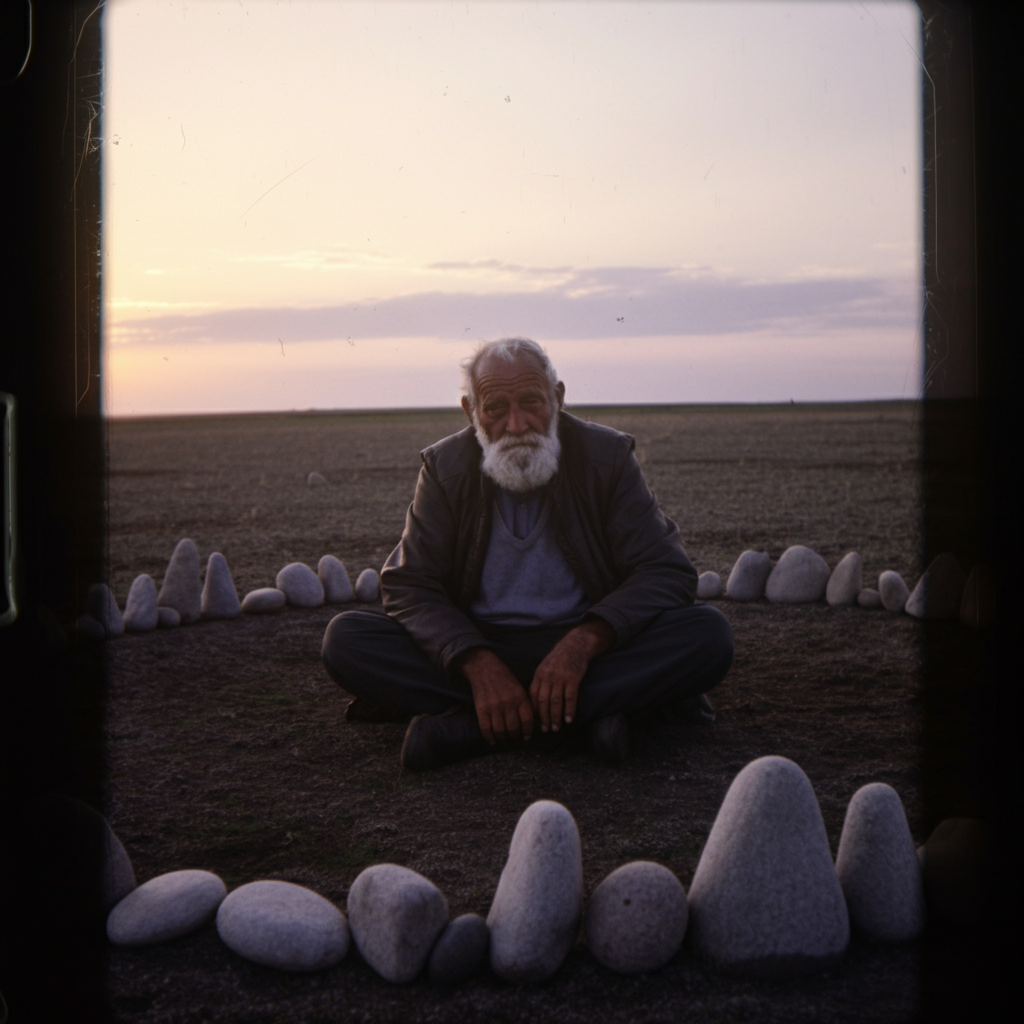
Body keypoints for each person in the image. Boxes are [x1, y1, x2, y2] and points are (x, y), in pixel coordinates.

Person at [322, 337, 733, 770]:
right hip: (480, 643)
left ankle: (471, 727)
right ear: (471, 411)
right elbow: (410, 583)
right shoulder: (445, 468)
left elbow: (665, 570)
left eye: (531, 401)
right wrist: (477, 663)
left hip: (592, 649)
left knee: (707, 634)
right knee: (346, 640)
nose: (517, 424)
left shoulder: (606, 457)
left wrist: (583, 642)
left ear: (556, 398)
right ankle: (582, 722)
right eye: (496, 407)